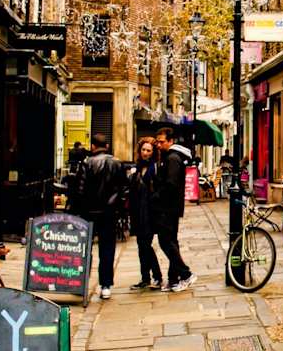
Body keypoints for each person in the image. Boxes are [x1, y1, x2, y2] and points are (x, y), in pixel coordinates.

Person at [72, 134, 126, 300]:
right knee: (107, 249)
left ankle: (81, 283)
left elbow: (80, 190)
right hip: (109, 213)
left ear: (93, 146)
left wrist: (77, 210)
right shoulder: (117, 163)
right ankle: (106, 286)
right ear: (107, 146)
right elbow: (123, 189)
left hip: (88, 213)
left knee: (84, 248)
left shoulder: (87, 163)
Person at [152, 127, 196, 292]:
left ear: (171, 141)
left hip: (168, 207)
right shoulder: (170, 157)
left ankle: (186, 274)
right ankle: (174, 279)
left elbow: (171, 184)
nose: (158, 145)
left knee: (166, 242)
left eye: (162, 142)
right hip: (170, 207)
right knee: (171, 243)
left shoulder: (172, 158)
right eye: (157, 142)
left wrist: (156, 196)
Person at [128, 137, 164, 290]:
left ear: (153, 152)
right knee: (141, 246)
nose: (145, 153)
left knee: (145, 245)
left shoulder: (155, 168)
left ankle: (157, 277)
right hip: (137, 212)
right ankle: (145, 278)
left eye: (148, 150)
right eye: (143, 149)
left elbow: (159, 189)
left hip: (149, 213)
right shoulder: (137, 167)